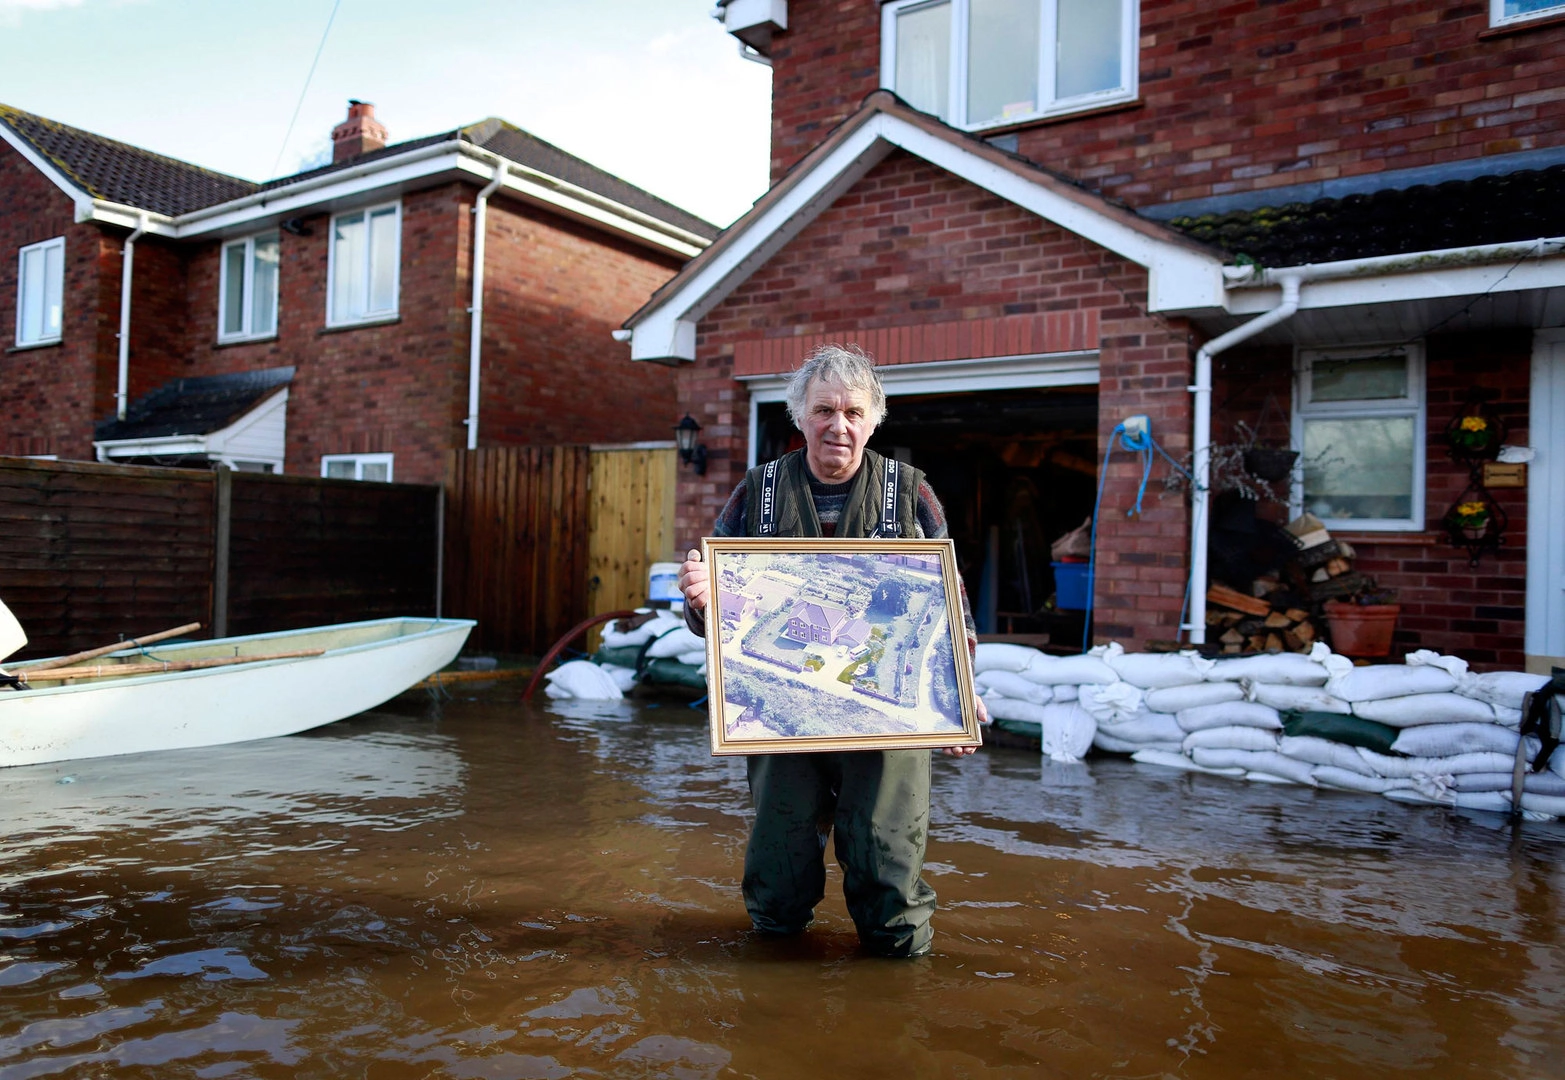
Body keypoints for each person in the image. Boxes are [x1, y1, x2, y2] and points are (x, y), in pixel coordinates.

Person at [676, 344, 988, 958]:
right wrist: (699, 599)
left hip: (885, 718)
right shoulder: (756, 493)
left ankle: (894, 979)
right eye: (823, 410)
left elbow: (950, 604)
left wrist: (956, 694)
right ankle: (776, 980)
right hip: (778, 710)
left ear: (874, 420)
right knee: (779, 862)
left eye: (852, 411)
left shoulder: (911, 493)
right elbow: (711, 613)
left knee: (888, 860)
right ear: (800, 417)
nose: (837, 426)